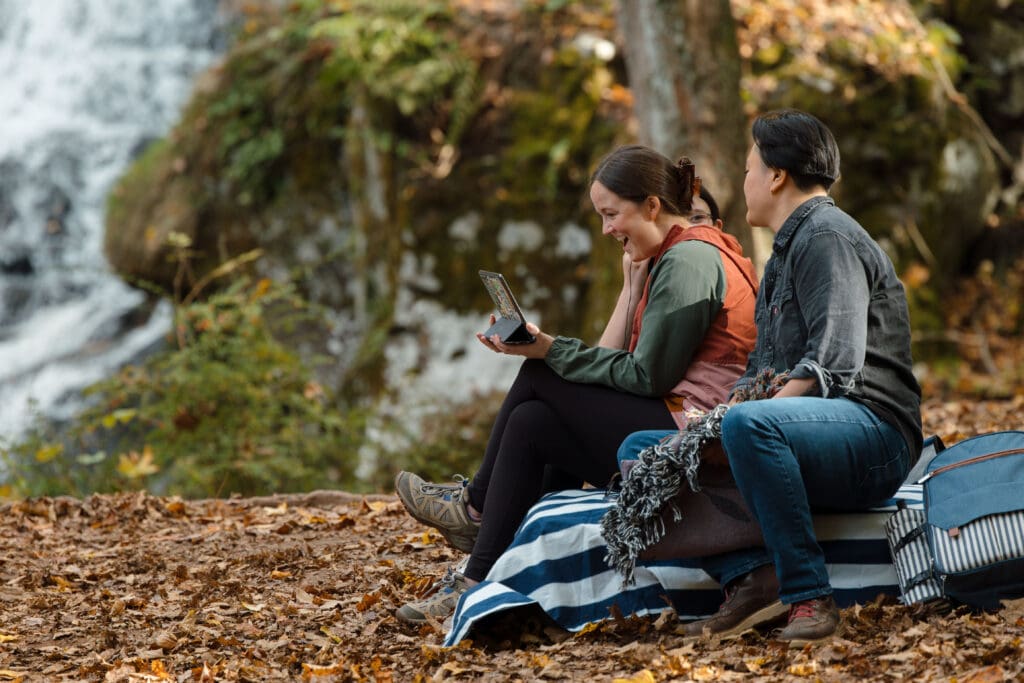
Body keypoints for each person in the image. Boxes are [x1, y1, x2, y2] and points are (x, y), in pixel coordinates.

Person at [392, 145, 759, 624]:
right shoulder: (677, 256)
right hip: (679, 421)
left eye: (611, 214)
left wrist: (550, 349)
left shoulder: (690, 261)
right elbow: (636, 369)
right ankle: (481, 578)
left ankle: (474, 511)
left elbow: (648, 376)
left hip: (691, 437)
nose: (607, 230)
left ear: (652, 205)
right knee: (533, 423)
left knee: (542, 373)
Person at [663, 110, 923, 646]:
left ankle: (808, 596)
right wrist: (711, 423)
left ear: (776, 175)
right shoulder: (785, 250)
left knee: (748, 426)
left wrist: (741, 419)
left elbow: (835, 362)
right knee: (649, 448)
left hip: (874, 435)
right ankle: (753, 576)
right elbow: (760, 373)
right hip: (807, 431)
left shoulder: (827, 236)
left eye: (747, 170)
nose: (745, 183)